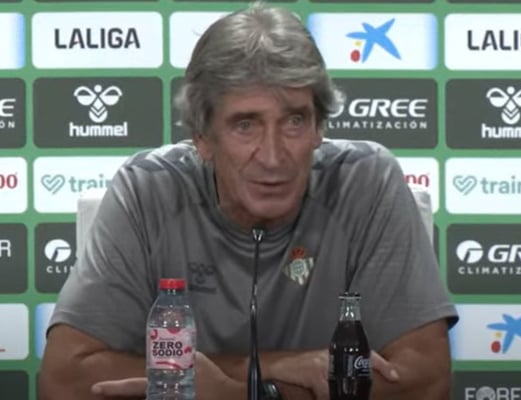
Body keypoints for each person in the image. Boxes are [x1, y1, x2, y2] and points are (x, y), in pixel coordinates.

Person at [39, 2, 458, 399]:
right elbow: (64, 381)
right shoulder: (148, 189)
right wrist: (273, 370)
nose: (273, 157)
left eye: (294, 121)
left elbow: (426, 381)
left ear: (319, 128)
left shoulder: (366, 181)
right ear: (202, 137)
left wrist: (232, 391)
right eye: (245, 125)